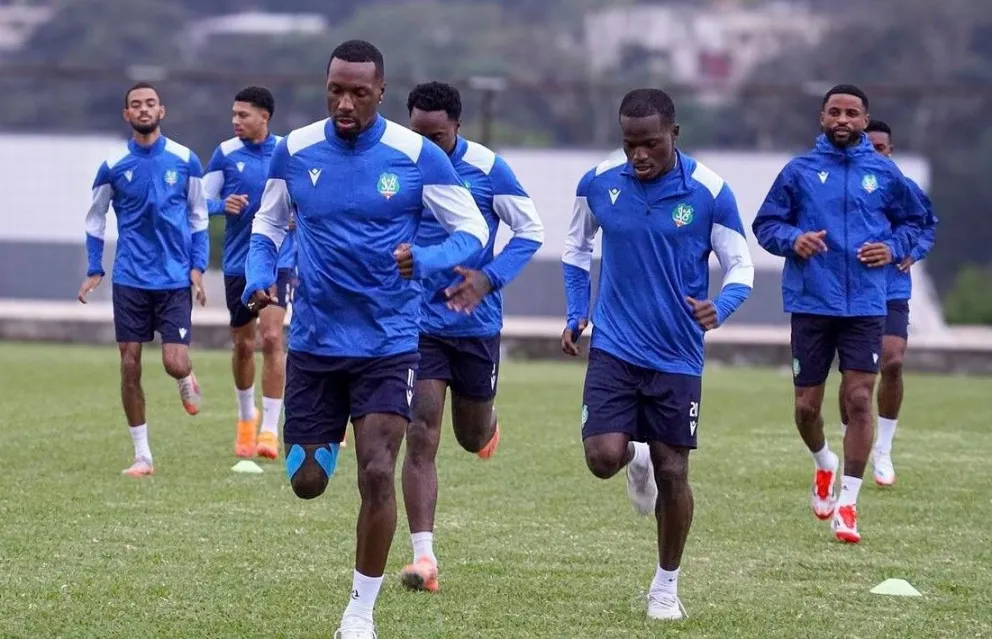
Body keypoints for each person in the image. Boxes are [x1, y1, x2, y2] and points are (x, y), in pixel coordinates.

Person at [242, 40, 489, 639]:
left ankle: (360, 612)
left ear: (381, 92)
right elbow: (269, 221)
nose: (345, 102)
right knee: (307, 481)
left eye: (358, 91)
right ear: (325, 87)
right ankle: (311, 458)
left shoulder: (416, 155)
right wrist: (257, 273)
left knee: (378, 470)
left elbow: (472, 230)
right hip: (318, 342)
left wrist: (426, 258)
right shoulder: (296, 151)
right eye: (335, 89)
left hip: (389, 341)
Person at [561, 88, 753, 621]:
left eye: (650, 144)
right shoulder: (597, 183)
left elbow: (742, 265)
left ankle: (665, 587)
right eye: (629, 145)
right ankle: (631, 458)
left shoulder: (710, 192)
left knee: (674, 470)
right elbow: (576, 248)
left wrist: (723, 305)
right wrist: (577, 311)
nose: (639, 156)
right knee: (601, 458)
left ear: (674, 134)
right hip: (615, 345)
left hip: (677, 354)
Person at [752, 85, 926, 544]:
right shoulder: (799, 171)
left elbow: (919, 222)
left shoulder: (884, 174)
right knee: (807, 407)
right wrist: (795, 240)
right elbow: (766, 224)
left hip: (866, 305)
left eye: (852, 113)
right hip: (811, 303)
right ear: (822, 117)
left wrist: (892, 248)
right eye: (835, 112)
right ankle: (823, 462)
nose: (843, 119)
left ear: (865, 121)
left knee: (857, 400)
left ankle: (848, 505)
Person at [399, 81, 545, 593]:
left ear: (457, 127)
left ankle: (488, 426)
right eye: (417, 134)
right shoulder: (398, 161)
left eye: (436, 137)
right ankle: (424, 558)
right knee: (421, 429)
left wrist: (487, 278)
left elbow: (530, 231)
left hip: (476, 324)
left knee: (470, 434)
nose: (425, 147)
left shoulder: (488, 169)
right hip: (418, 321)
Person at [77, 82, 208, 477]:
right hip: (130, 277)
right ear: (127, 114)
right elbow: (95, 218)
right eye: (136, 104)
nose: (144, 109)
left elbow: (199, 216)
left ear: (162, 111)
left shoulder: (186, 160)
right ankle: (142, 455)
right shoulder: (113, 165)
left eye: (150, 103)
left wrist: (197, 267)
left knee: (173, 361)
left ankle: (185, 374)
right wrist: (94, 267)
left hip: (172, 280)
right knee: (129, 365)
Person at [837, 119, 938, 487]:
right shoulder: (846, 185)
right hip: (854, 290)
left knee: (893, 359)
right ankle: (854, 442)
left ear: (889, 150)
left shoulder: (900, 186)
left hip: (892, 287)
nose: (876, 153)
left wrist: (913, 251)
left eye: (882, 148)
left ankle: (884, 448)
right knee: (854, 379)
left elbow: (927, 223)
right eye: (870, 147)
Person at [203, 86, 295, 460]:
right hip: (239, 264)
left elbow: (309, 199)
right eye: (234, 115)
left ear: (264, 117)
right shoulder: (225, 154)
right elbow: (198, 203)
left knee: (273, 337)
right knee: (244, 345)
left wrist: (297, 217)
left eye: (243, 115)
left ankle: (270, 431)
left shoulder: (288, 153)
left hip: (279, 261)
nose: (236, 121)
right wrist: (222, 205)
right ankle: (246, 419)